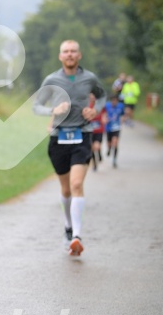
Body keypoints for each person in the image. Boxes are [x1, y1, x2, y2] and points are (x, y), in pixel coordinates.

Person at [33, 40, 106, 256]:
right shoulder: (52, 79)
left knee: (76, 184)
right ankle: (68, 227)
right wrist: (53, 110)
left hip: (82, 134)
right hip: (59, 138)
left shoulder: (89, 78)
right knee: (65, 190)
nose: (70, 55)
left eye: (73, 51)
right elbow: (36, 105)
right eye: (66, 51)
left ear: (79, 55)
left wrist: (95, 111)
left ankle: (77, 236)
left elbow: (101, 96)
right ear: (60, 57)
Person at [105, 94, 125, 168]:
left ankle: (114, 159)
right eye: (113, 100)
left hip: (117, 127)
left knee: (115, 142)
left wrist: (123, 119)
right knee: (109, 143)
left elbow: (123, 114)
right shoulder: (107, 106)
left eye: (115, 101)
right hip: (109, 127)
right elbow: (104, 114)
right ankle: (109, 149)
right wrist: (105, 118)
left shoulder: (120, 106)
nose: (114, 102)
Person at [88, 93, 107, 172]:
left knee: (97, 146)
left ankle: (99, 154)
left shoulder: (100, 106)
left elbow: (104, 114)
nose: (93, 98)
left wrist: (104, 118)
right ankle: (95, 165)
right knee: (92, 148)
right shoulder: (87, 106)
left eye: (94, 97)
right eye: (91, 97)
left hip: (99, 130)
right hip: (90, 130)